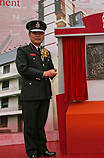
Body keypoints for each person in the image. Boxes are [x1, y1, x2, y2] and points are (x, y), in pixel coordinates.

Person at [16, 20, 58, 158]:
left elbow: (49, 68)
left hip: (44, 93)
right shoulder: (23, 51)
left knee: (40, 124)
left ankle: (42, 149)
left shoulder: (46, 52)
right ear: (29, 35)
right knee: (30, 125)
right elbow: (23, 69)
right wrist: (44, 73)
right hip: (30, 94)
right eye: (35, 33)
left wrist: (53, 72)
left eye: (40, 33)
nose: (38, 36)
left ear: (44, 35)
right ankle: (32, 152)